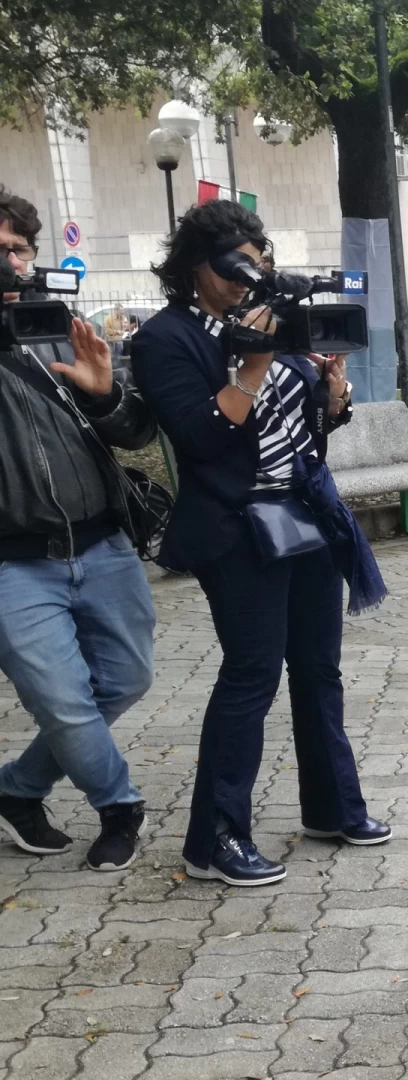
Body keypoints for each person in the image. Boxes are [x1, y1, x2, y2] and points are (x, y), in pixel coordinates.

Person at [130, 199, 390, 888]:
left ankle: (332, 808)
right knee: (251, 673)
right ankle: (213, 838)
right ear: (194, 267)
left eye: (259, 263)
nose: (249, 278)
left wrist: (332, 398)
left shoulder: (275, 322)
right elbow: (202, 439)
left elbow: (302, 434)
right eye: (234, 265)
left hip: (303, 516)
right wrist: (247, 369)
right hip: (234, 527)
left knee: (318, 669)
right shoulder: (167, 340)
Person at [0, 186, 158, 871]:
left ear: (33, 256)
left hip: (103, 546)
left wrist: (104, 395)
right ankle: (118, 805)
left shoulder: (61, 326)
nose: (6, 264)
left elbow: (138, 429)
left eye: (15, 249)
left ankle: (16, 788)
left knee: (124, 681)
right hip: (13, 563)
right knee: (63, 703)